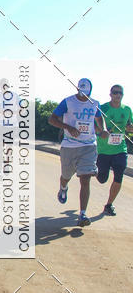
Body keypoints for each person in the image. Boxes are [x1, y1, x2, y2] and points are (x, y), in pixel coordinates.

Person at [49, 77, 106, 227]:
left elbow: (99, 119)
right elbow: (52, 119)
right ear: (77, 89)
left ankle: (82, 214)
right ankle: (63, 188)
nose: (84, 96)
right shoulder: (68, 102)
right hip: (69, 146)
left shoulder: (95, 103)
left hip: (89, 146)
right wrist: (67, 127)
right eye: (82, 93)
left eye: (86, 93)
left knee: (85, 179)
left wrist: (103, 129)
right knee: (66, 176)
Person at [96, 84, 133, 216]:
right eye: (115, 92)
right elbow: (94, 126)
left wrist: (130, 128)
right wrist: (102, 131)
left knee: (119, 175)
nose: (118, 95)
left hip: (120, 149)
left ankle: (109, 205)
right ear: (110, 94)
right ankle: (94, 171)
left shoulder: (127, 109)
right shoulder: (103, 108)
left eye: (120, 93)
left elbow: (130, 126)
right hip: (104, 150)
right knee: (102, 179)